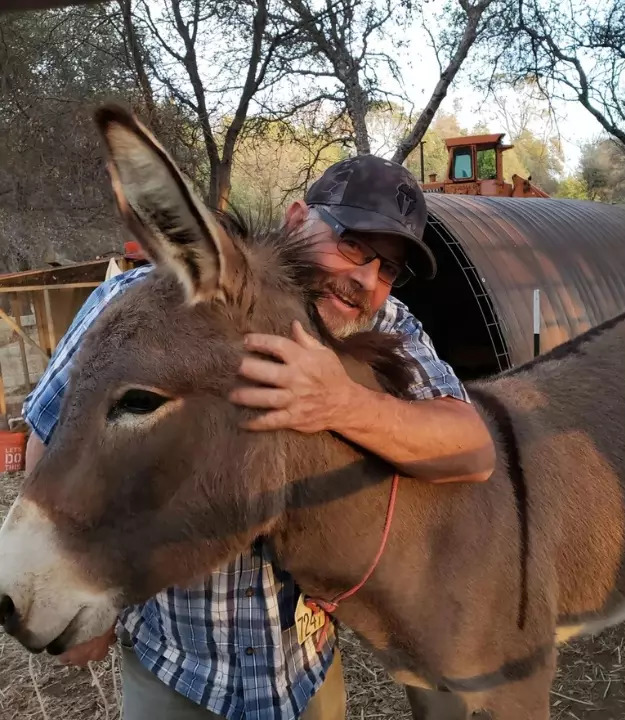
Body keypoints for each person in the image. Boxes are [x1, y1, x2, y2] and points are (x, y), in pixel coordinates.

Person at [21, 156, 497, 720]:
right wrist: (68, 579)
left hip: (301, 669)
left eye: (388, 267)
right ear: (298, 219)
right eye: (351, 244)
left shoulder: (385, 323)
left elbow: (471, 449)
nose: (367, 280)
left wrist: (341, 402)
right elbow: (51, 433)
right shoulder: (140, 304)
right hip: (177, 666)